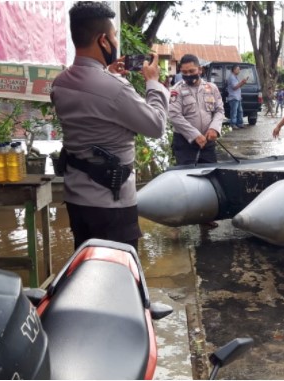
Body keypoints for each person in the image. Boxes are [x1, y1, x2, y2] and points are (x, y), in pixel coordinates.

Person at [50, 1, 168, 251]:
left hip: (77, 199)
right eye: (114, 36)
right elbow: (156, 126)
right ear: (103, 41)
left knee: (86, 268)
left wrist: (107, 72)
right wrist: (154, 84)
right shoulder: (114, 88)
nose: (116, 43)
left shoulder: (60, 83)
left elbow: (91, 102)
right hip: (111, 205)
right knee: (118, 274)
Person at [169, 53, 225, 166]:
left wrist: (214, 128)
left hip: (207, 141)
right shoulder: (176, 90)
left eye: (191, 71)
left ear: (199, 70)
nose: (188, 75)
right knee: (186, 177)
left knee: (211, 174)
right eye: (184, 72)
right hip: (185, 142)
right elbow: (174, 116)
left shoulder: (211, 88)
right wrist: (195, 135)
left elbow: (219, 110)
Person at [227, 64, 248, 129]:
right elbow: (234, 87)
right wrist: (242, 82)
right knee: (234, 112)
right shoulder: (231, 77)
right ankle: (233, 124)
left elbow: (238, 86)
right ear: (234, 70)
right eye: (238, 69)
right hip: (233, 97)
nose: (239, 71)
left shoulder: (235, 77)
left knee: (240, 111)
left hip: (237, 97)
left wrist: (243, 83)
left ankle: (240, 123)